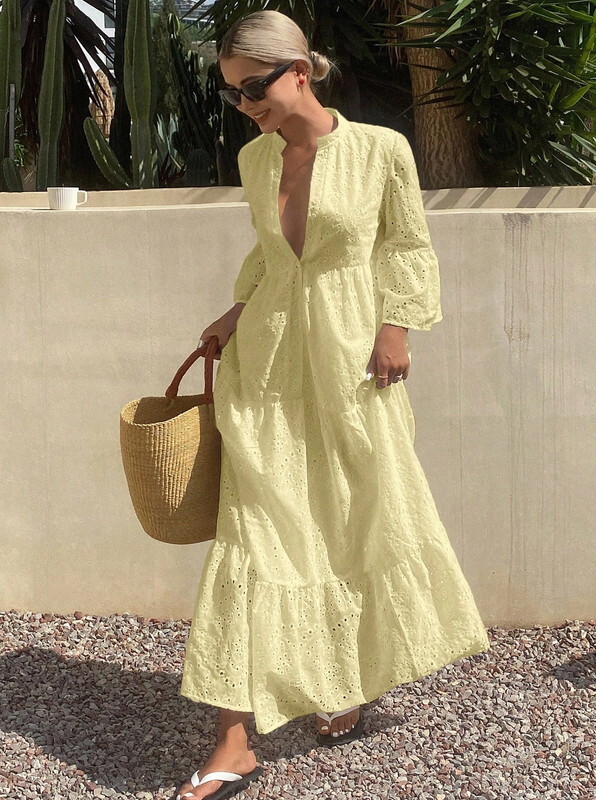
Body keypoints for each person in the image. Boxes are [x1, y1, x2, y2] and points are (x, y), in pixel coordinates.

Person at [173, 10, 490, 800]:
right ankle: (233, 739)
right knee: (254, 533)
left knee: (352, 520)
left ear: (298, 71)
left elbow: (406, 246)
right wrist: (234, 312)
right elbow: (268, 254)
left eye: (254, 87)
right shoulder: (254, 158)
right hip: (266, 365)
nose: (244, 105)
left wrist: (396, 327)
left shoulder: (381, 150)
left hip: (352, 364)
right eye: (232, 95)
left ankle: (340, 677)